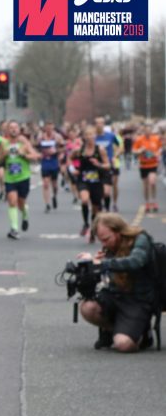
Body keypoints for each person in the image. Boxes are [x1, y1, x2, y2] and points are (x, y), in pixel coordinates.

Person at [78, 213, 157, 352]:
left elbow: (135, 261)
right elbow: (108, 272)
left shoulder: (140, 238)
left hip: (138, 299)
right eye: (101, 241)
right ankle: (114, 330)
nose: (104, 244)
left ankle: (142, 332)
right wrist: (92, 267)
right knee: (87, 307)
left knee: (123, 344)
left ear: (119, 231)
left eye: (106, 239)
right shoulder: (109, 247)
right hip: (115, 295)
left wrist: (103, 264)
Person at [1, 120, 41, 240]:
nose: (13, 130)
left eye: (15, 127)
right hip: (10, 178)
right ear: (7, 130)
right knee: (12, 201)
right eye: (11, 128)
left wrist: (24, 155)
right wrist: (4, 153)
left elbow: (36, 156)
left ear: (19, 129)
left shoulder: (23, 142)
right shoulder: (4, 143)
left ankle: (24, 215)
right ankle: (14, 229)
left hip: (23, 177)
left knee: (21, 202)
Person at [75, 125, 111, 240]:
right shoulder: (79, 150)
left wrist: (98, 164)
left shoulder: (100, 149)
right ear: (84, 137)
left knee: (96, 209)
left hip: (97, 181)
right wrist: (73, 169)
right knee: (84, 199)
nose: (89, 137)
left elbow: (108, 165)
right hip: (83, 180)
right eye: (87, 135)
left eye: (91, 135)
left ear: (95, 136)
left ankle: (93, 229)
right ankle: (85, 223)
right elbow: (69, 158)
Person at [132, 124, 162, 213]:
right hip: (143, 165)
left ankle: (154, 201)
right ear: (144, 131)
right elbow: (134, 151)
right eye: (146, 130)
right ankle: (147, 202)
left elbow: (161, 148)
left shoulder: (155, 139)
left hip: (153, 164)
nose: (148, 132)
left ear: (151, 131)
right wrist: (140, 150)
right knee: (145, 185)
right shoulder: (139, 140)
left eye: (149, 130)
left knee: (152, 182)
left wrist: (157, 153)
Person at [36, 121, 64, 213]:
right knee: (46, 184)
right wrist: (39, 153)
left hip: (54, 161)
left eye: (50, 128)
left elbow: (63, 147)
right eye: (47, 127)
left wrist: (56, 151)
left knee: (54, 184)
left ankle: (54, 196)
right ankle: (47, 204)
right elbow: (36, 147)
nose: (49, 129)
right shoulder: (41, 137)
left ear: (53, 128)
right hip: (45, 162)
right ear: (45, 128)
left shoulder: (57, 137)